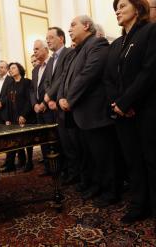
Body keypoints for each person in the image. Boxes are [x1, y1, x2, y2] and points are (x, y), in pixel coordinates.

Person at [104, 0, 156, 235]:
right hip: (123, 114)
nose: (117, 9)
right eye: (115, 6)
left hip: (147, 110)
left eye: (122, 4)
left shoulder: (151, 30)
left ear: (138, 7)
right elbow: (109, 78)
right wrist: (118, 104)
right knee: (133, 162)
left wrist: (126, 102)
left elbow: (151, 69)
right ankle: (139, 206)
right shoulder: (115, 43)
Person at [58, 15, 119, 208]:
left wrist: (70, 99)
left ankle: (112, 191)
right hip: (79, 113)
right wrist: (61, 97)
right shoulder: (77, 51)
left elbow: (88, 75)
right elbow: (66, 78)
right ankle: (97, 185)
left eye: (73, 24)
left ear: (87, 26)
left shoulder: (97, 44)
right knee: (90, 156)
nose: (69, 29)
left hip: (94, 113)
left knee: (104, 156)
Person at [44, 27, 79, 185]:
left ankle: (75, 174)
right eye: (47, 38)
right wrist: (49, 99)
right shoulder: (50, 60)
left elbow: (63, 78)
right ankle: (67, 171)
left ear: (61, 39)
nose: (48, 40)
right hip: (53, 106)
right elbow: (47, 81)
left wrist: (51, 95)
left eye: (51, 37)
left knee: (72, 143)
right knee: (62, 142)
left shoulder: (68, 53)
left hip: (64, 103)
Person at [2, 63, 35, 173]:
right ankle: (22, 161)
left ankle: (30, 161)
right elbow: (8, 103)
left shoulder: (27, 82)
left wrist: (24, 115)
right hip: (14, 117)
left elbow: (29, 100)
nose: (11, 70)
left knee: (27, 140)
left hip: (25, 116)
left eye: (13, 68)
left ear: (19, 69)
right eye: (10, 69)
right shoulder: (10, 85)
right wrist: (8, 119)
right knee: (18, 140)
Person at [30, 39, 55, 176]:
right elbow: (32, 90)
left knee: (53, 140)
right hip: (38, 111)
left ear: (46, 49)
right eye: (34, 49)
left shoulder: (52, 64)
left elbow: (53, 86)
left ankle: (58, 167)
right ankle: (47, 167)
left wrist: (44, 104)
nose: (34, 52)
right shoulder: (35, 70)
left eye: (37, 49)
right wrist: (34, 104)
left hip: (49, 109)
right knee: (43, 140)